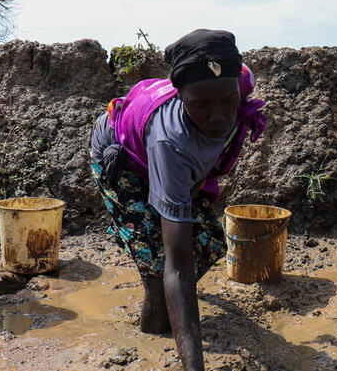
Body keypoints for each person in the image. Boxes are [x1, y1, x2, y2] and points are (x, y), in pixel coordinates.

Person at [89, 29, 265, 371]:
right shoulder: (170, 142)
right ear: (180, 95)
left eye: (229, 101)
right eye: (201, 105)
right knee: (160, 271)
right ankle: (153, 333)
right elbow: (178, 263)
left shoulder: (235, 79)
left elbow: (227, 96)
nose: (219, 115)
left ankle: (173, 309)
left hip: (169, 155)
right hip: (124, 159)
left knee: (211, 241)